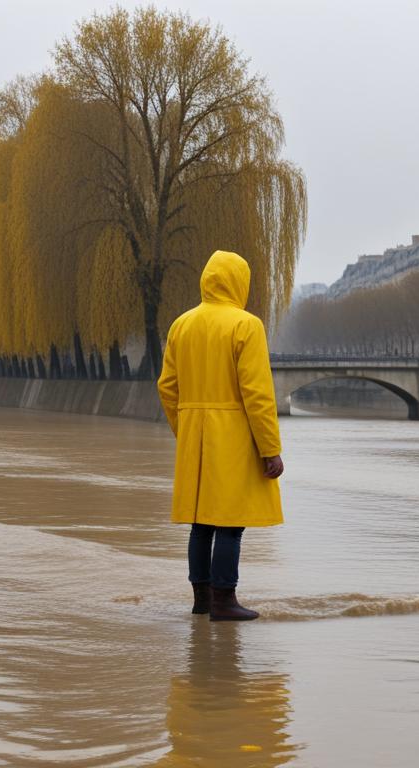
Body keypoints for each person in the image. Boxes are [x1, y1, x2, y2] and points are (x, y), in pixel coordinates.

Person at [157, 250, 284, 622]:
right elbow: (257, 394)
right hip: (233, 434)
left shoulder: (181, 324)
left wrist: (186, 429)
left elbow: (167, 387)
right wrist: (270, 449)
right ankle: (225, 601)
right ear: (239, 282)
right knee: (230, 520)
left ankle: (201, 600)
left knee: (202, 521)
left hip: (195, 435)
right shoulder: (246, 325)